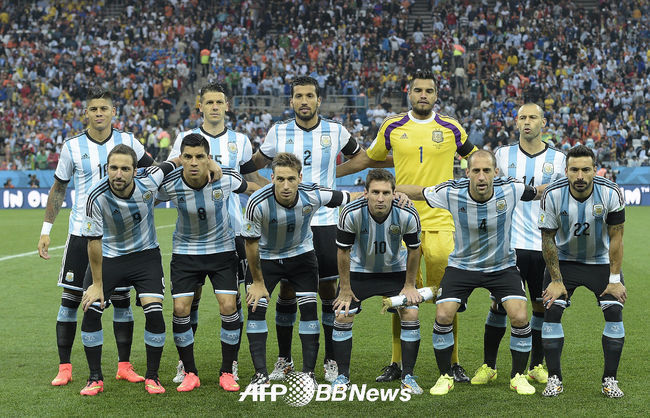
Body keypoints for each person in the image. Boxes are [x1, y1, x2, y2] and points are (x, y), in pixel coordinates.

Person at [336, 70, 477, 383]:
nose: (423, 95)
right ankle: (396, 363)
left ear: (436, 95)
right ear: (409, 93)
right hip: (400, 219)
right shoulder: (393, 125)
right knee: (401, 294)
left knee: (447, 297)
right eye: (418, 90)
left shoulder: (452, 127)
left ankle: (453, 362)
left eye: (429, 90)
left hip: (442, 220)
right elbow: (369, 159)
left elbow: (476, 159)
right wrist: (329, 173)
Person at [251, 76, 371, 383]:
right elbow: (254, 164)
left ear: (319, 100)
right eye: (298, 96)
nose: (304, 101)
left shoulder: (336, 130)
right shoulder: (278, 131)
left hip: (326, 221)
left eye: (309, 96)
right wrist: (264, 186)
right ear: (291, 101)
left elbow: (362, 158)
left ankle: (330, 360)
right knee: (288, 289)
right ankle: (285, 359)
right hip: (288, 223)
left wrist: (334, 172)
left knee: (328, 291)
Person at [398, 150, 541, 396]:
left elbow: (538, 191)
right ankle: (445, 376)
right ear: (467, 173)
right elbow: (420, 191)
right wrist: (393, 190)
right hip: (462, 266)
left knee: (519, 316)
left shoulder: (511, 188)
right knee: (443, 313)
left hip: (502, 266)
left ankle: (517, 376)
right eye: (476, 171)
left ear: (496, 172)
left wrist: (571, 184)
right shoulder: (452, 192)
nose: (481, 176)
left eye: (487, 171)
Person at [37, 87, 154, 387]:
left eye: (104, 108)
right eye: (93, 109)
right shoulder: (72, 146)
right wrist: (46, 230)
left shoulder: (129, 141)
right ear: (86, 112)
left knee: (122, 302)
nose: (99, 113)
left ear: (113, 112)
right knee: (70, 301)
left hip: (119, 236)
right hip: (81, 233)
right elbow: (59, 188)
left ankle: (124, 366)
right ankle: (65, 367)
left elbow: (151, 170)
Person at [167, 82, 267, 383]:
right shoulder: (185, 138)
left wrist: (277, 192)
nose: (214, 107)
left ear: (227, 106)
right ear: (200, 106)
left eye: (218, 102)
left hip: (233, 230)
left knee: (233, 300)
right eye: (208, 102)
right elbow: (173, 169)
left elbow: (250, 179)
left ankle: (230, 363)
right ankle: (185, 363)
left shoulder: (241, 140)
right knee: (191, 298)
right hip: (194, 233)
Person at [242, 152, 357, 388]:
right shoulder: (257, 202)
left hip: (301, 257)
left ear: (300, 178)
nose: (285, 185)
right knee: (256, 308)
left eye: (291, 179)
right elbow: (251, 245)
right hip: (266, 258)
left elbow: (351, 197)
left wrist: (392, 196)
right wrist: (258, 282)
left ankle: (308, 373)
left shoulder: (312, 194)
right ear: (271, 178)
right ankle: (261, 374)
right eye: (280, 179)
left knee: (309, 310)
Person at [474, 103, 566, 386]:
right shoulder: (503, 155)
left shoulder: (558, 158)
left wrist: (531, 191)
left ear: (543, 122)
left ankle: (536, 366)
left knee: (540, 307)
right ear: (516, 123)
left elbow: (561, 195)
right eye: (522, 117)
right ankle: (489, 366)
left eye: (533, 117)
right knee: (499, 305)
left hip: (542, 245)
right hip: (509, 245)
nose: (527, 122)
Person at [157, 133, 257, 393]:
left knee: (228, 305)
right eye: (188, 157)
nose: (193, 162)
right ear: (180, 158)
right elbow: (144, 191)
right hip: (185, 252)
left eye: (200, 157)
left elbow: (251, 189)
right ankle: (190, 372)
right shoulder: (170, 184)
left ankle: (227, 370)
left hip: (221, 251)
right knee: (181, 308)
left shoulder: (227, 178)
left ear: (208, 158)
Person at [79, 145, 178, 395]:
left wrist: (211, 164)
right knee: (91, 309)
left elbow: (176, 162)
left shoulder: (150, 178)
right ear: (107, 169)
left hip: (145, 256)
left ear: (135, 170)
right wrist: (97, 284)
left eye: (125, 169)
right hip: (109, 257)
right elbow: (93, 242)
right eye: (113, 168)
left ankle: (153, 377)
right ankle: (94, 378)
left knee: (154, 312)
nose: (118, 174)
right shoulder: (95, 196)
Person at [538, 145, 626, 398]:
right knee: (551, 311)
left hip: (600, 262)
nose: (579, 176)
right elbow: (547, 239)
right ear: (565, 170)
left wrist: (614, 279)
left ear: (595, 170)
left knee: (614, 312)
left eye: (585, 170)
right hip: (564, 261)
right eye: (574, 170)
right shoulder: (552, 194)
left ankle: (610, 380)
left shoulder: (610, 192)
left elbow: (617, 237)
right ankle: (554, 379)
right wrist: (556, 280)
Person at [332, 169, 424, 394]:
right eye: (375, 192)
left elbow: (414, 250)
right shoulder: (351, 212)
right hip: (359, 271)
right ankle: (342, 377)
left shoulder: (407, 213)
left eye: (385, 193)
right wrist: (345, 288)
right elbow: (343, 251)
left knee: (411, 313)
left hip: (395, 272)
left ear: (394, 193)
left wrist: (409, 285)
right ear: (365, 193)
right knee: (342, 314)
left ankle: (408, 376)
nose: (380, 198)